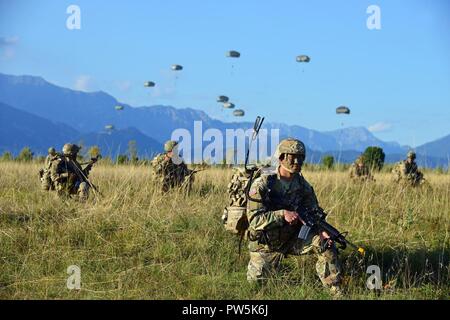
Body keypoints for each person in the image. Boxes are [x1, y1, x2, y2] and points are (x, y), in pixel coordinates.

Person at [245, 138, 343, 296]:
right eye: (292, 157)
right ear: (282, 157)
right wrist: (282, 214)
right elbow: (254, 220)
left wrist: (321, 231)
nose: (297, 161)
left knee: (325, 244)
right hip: (266, 244)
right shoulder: (262, 184)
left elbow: (314, 213)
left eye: (301, 157)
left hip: (293, 238)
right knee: (256, 288)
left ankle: (336, 291)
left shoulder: (303, 186)